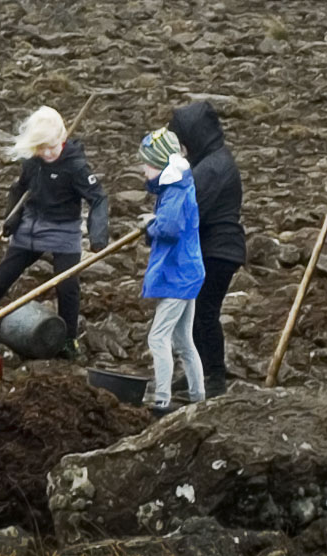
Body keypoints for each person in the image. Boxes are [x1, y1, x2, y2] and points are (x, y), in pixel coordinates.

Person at [0, 106, 109, 359]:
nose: (49, 152)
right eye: (42, 147)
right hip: (31, 227)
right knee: (2, 276)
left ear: (62, 137)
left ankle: (68, 341)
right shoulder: (32, 163)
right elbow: (18, 190)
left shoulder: (76, 166)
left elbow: (98, 199)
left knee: (67, 286)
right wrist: (12, 217)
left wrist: (98, 237)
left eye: (53, 146)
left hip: (63, 230)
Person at [168, 101, 245, 398]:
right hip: (212, 249)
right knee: (194, 312)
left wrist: (158, 228)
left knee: (204, 313)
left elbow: (188, 211)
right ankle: (196, 373)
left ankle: (213, 378)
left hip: (219, 251)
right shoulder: (213, 161)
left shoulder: (212, 168)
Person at [138, 127, 206, 417]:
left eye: (148, 165)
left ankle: (162, 401)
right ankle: (198, 396)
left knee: (158, 337)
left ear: (162, 164)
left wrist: (150, 227)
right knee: (183, 340)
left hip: (178, 275)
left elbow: (170, 227)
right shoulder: (176, 185)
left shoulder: (175, 190)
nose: (144, 170)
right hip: (187, 272)